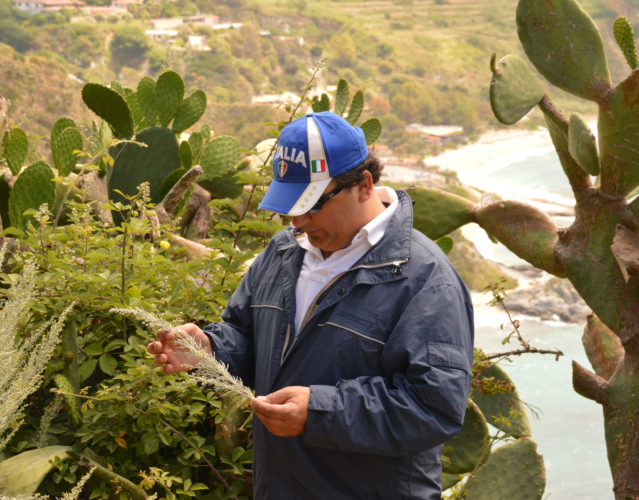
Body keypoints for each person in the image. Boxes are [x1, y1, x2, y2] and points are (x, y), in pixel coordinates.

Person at [147, 111, 474, 499]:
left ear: (364, 185)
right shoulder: (284, 251)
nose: (299, 221)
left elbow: (435, 407)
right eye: (291, 206)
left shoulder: (425, 278)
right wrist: (209, 349)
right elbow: (248, 338)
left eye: (313, 204)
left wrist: (319, 412)